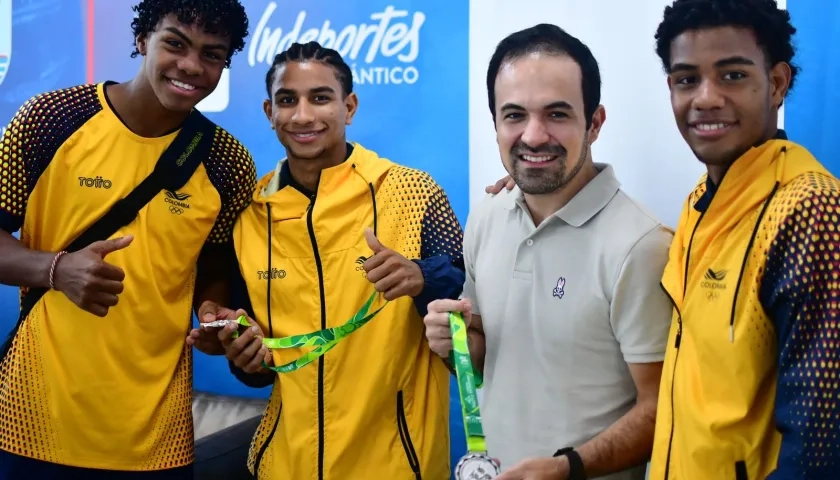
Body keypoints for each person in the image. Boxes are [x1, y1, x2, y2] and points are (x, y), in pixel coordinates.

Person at [187, 41, 465, 479]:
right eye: (287, 100)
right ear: (268, 112)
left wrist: (421, 276)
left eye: (320, 97)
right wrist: (246, 357)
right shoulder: (251, 214)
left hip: (396, 467)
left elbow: (467, 298)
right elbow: (261, 368)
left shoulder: (413, 192)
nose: (302, 116)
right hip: (284, 465)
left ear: (349, 106)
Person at [0, 0, 254, 478]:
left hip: (157, 439)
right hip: (32, 421)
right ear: (142, 40)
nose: (191, 66)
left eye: (212, 54)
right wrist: (56, 270)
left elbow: (214, 270)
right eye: (175, 43)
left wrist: (213, 314)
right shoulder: (50, 119)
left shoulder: (227, 163)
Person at [424, 24, 674, 480]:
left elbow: (664, 409)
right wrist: (455, 345)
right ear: (496, 123)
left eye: (557, 114)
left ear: (594, 123)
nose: (534, 136)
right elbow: (483, 363)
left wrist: (566, 468)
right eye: (514, 115)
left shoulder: (643, 245)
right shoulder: (486, 217)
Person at [646, 1, 840, 479]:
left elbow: (818, 444)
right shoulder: (700, 201)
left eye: (731, 76)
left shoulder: (810, 209)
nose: (706, 98)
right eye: (687, 79)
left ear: (776, 83)